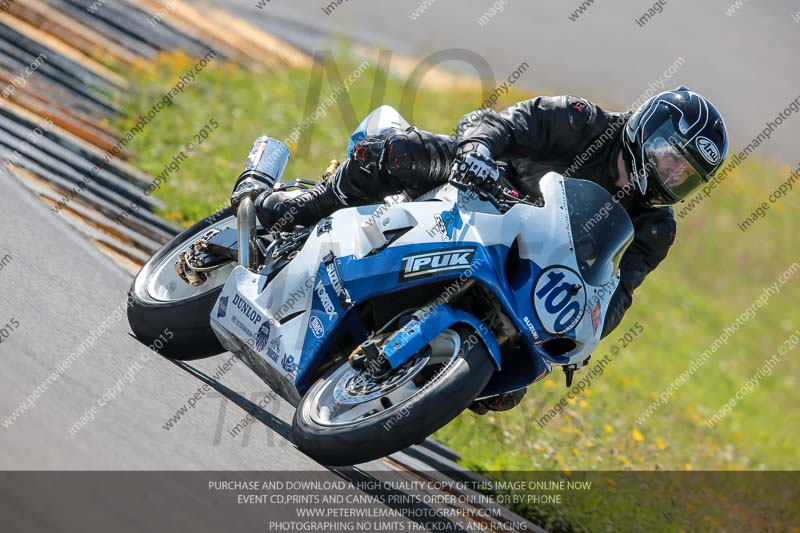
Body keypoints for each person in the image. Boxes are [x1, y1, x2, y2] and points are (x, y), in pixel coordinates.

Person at [239, 86, 729, 413]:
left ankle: (391, 378)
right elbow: (499, 121)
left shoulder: (657, 228)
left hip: (524, 270)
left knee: (504, 393)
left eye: (686, 177)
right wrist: (477, 151)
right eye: (671, 161)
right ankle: (292, 208)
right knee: (396, 154)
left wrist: (591, 332)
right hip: (476, 194)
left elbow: (620, 291)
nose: (672, 179)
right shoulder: (583, 122)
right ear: (649, 132)